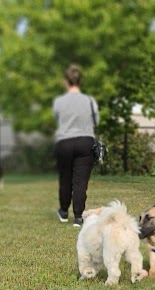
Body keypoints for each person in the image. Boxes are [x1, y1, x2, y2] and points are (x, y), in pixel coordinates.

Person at [53, 64, 98, 228]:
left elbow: (58, 119)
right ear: (80, 81)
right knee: (80, 181)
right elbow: (96, 122)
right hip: (85, 141)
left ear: (66, 81)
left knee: (65, 177)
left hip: (64, 141)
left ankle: (63, 212)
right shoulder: (90, 101)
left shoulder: (59, 101)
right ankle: (78, 217)